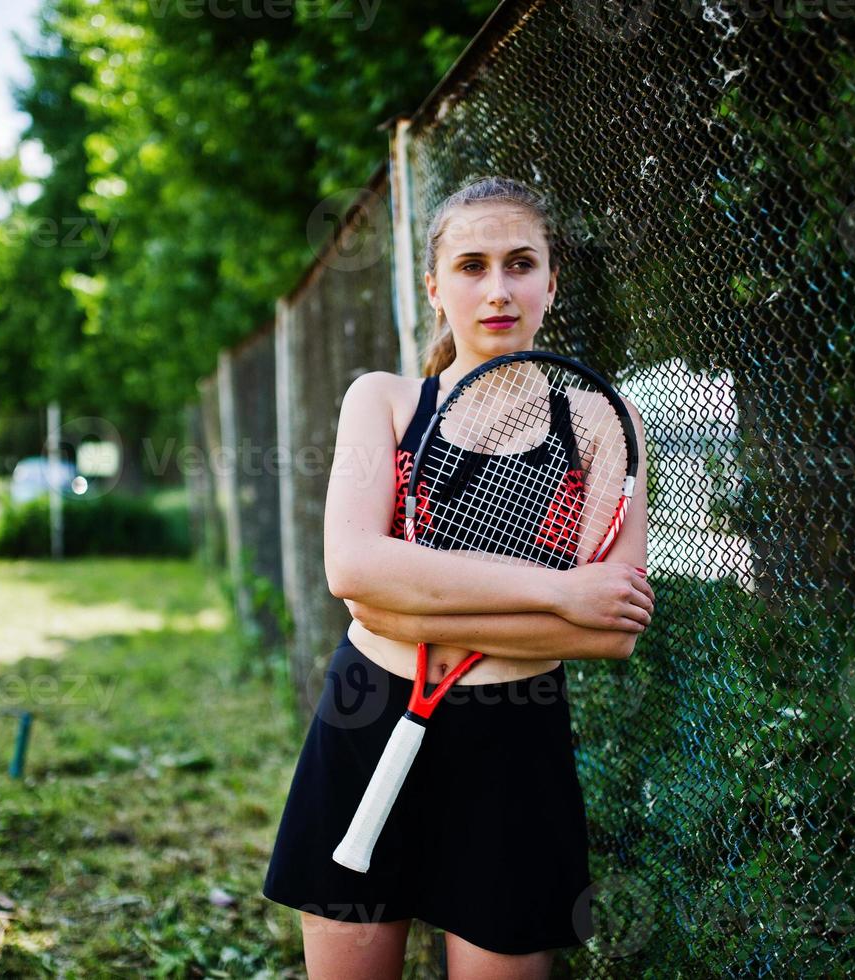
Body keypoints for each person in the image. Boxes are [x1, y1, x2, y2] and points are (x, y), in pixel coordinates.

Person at [262, 176, 653, 979]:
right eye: (472, 266)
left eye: (520, 264)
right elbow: (353, 567)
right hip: (366, 714)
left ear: (552, 281)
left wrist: (406, 601)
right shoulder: (385, 401)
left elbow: (610, 626)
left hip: (514, 739)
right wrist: (556, 591)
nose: (498, 288)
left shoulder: (601, 424)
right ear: (435, 288)